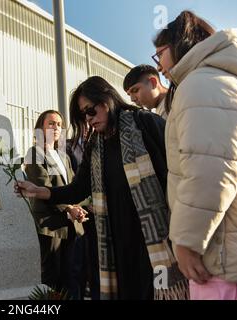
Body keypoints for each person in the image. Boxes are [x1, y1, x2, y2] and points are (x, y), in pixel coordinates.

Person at [16, 76, 189, 300]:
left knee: (160, 290)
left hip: (156, 240)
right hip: (117, 244)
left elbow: (179, 173)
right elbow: (78, 189)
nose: (88, 120)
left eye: (90, 111)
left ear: (106, 99)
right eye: (83, 115)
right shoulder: (95, 146)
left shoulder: (146, 123)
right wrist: (40, 191)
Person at [153, 10, 237, 300]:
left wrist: (186, 241)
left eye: (159, 54)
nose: (159, 65)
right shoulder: (221, 78)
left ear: (180, 44)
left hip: (218, 255)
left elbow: (209, 171)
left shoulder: (200, 84)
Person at [23, 110, 88, 299]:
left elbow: (74, 187)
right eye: (51, 123)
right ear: (40, 128)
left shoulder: (64, 156)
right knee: (52, 281)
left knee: (71, 279)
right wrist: (70, 208)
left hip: (71, 226)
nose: (56, 127)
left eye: (59, 124)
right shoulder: (34, 153)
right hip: (50, 226)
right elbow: (43, 187)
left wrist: (82, 207)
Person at [66, 102, 100, 300]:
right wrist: (85, 205)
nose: (88, 124)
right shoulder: (67, 147)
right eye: (83, 120)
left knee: (97, 268)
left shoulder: (103, 141)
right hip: (81, 215)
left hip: (103, 214)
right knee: (79, 266)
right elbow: (74, 183)